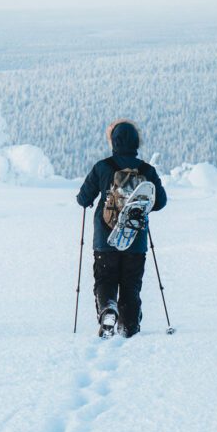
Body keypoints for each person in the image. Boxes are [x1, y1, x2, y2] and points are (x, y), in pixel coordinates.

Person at [76, 120, 167, 337]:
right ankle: (129, 325)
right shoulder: (147, 170)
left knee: (105, 280)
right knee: (131, 284)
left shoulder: (102, 167)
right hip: (135, 240)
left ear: (113, 142)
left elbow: (83, 199)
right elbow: (160, 202)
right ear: (137, 142)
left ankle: (108, 310)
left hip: (105, 240)